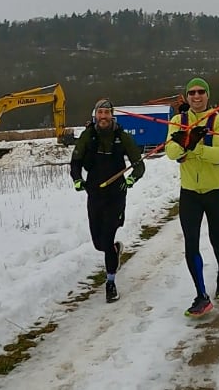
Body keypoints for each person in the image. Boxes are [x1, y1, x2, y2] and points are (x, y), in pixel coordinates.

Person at [165, 77, 219, 317]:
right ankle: (201, 295)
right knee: (190, 242)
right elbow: (171, 152)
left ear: (207, 95)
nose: (196, 96)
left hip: (215, 190)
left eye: (201, 92)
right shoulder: (177, 121)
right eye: (191, 92)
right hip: (190, 193)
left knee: (217, 239)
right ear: (187, 96)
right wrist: (187, 140)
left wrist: (195, 147)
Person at [70, 98, 145, 303]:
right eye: (100, 113)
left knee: (108, 236)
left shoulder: (122, 136)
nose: (103, 116)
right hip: (94, 193)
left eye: (106, 113)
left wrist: (129, 181)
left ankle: (110, 283)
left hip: (116, 194)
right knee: (99, 243)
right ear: (95, 115)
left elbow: (139, 166)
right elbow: (75, 162)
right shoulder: (88, 136)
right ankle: (113, 251)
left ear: (112, 115)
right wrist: (77, 180)